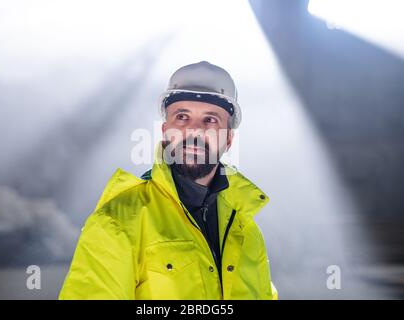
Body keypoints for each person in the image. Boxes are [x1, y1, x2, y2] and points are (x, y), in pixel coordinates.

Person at [59, 60, 278, 299]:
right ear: (165, 132)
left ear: (228, 140)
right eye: (182, 117)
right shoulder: (118, 221)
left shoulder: (244, 229)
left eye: (211, 119)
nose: (194, 130)